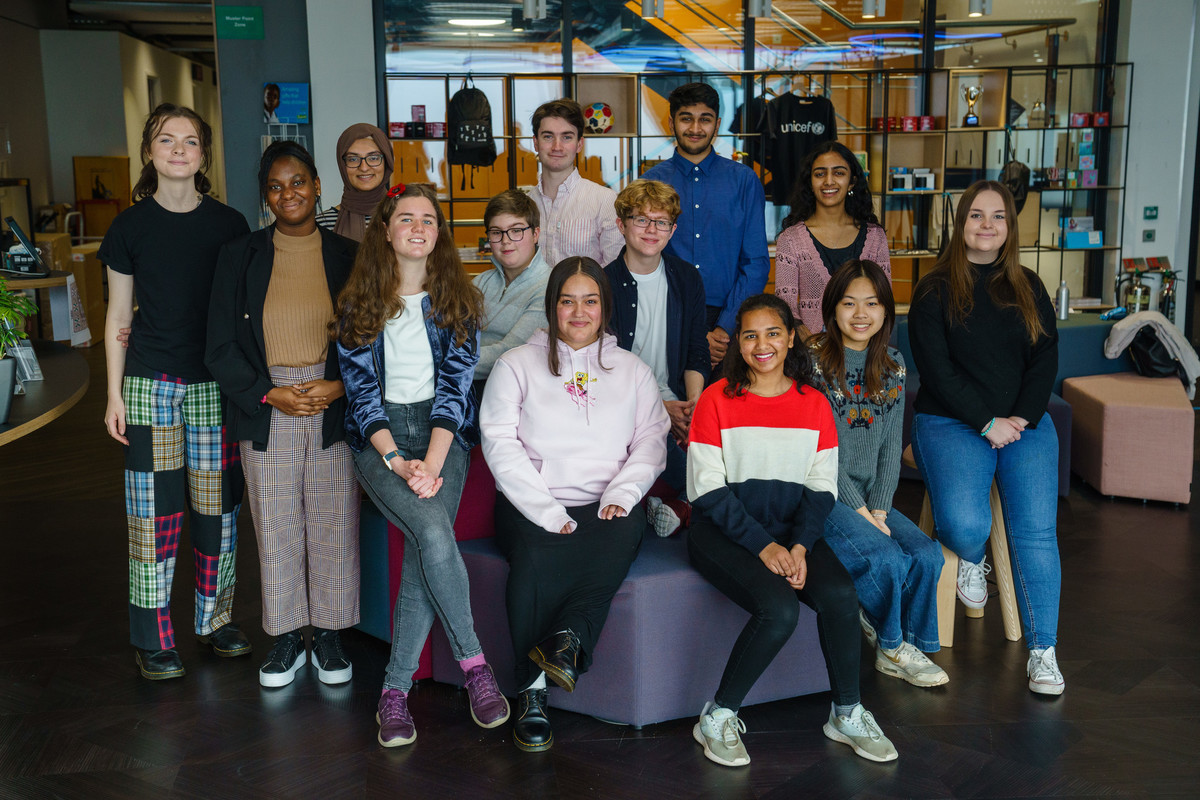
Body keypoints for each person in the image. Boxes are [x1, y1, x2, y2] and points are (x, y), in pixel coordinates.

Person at [686, 293, 898, 767]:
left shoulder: (814, 404)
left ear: (789, 339)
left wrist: (800, 545)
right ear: (738, 344)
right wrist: (766, 548)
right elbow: (706, 490)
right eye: (750, 335)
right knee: (779, 609)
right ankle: (717, 716)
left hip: (789, 532)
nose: (762, 344)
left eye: (773, 333)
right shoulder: (716, 401)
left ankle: (847, 712)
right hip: (721, 533)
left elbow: (821, 489)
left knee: (842, 595)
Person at [335, 183, 509, 746]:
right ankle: (476, 666)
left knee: (424, 546)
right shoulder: (358, 304)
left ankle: (393, 694)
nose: (417, 227)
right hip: (377, 437)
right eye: (405, 218)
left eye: (428, 220)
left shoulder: (460, 303)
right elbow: (361, 397)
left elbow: (456, 395)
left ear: (438, 234)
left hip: (443, 437)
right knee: (433, 531)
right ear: (385, 229)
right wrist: (396, 460)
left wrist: (430, 463)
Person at [480, 257, 669, 753]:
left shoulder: (632, 370)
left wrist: (624, 494)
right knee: (532, 570)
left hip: (609, 501)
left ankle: (563, 643)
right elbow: (499, 442)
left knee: (614, 544)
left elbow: (652, 440)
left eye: (591, 301)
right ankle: (532, 690)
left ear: (605, 308)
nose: (579, 312)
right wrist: (545, 511)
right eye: (568, 300)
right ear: (552, 306)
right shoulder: (515, 364)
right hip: (531, 502)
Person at [100, 103, 251, 681]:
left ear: (203, 155)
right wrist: (113, 395)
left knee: (218, 512)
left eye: (191, 141)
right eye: (168, 140)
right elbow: (118, 315)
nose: (179, 149)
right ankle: (154, 636)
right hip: (148, 385)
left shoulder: (230, 225)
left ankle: (214, 621)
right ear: (150, 151)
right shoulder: (129, 227)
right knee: (153, 517)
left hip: (213, 385)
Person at [205, 141, 361, 688]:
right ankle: (289, 637)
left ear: (318, 187)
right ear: (265, 197)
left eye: (298, 182)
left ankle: (333, 634)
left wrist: (339, 385)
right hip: (266, 404)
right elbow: (219, 347)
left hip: (331, 402)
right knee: (275, 523)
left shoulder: (350, 255)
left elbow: (374, 341)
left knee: (333, 520)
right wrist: (271, 393)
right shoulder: (239, 255)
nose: (288, 193)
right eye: (275, 186)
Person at [908, 180, 1063, 696]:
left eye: (998, 217)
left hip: (1024, 424)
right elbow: (937, 370)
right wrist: (986, 422)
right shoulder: (933, 288)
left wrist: (1020, 417)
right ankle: (972, 560)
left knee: (1037, 532)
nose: (987, 226)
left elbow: (1044, 358)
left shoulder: (1028, 285)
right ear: (960, 222)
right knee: (965, 523)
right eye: (976, 215)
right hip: (952, 421)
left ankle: (1043, 651)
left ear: (1009, 227)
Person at [810, 260, 947, 688]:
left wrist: (882, 511)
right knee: (885, 557)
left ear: (886, 311)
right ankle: (890, 646)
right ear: (832, 310)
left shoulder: (892, 362)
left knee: (928, 555)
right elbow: (822, 451)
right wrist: (864, 514)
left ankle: (911, 642)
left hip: (873, 497)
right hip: (825, 494)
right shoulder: (815, 362)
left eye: (871, 303)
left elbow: (891, 445)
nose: (860, 313)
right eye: (849, 303)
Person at [603, 178, 708, 532]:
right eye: (641, 219)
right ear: (621, 225)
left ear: (673, 229)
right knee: (667, 440)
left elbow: (697, 351)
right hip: (628, 407)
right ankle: (684, 505)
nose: (652, 229)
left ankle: (680, 506)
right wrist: (662, 409)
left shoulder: (687, 279)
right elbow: (605, 371)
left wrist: (693, 408)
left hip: (680, 399)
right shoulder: (602, 285)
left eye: (661, 222)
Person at [641, 82, 770, 370]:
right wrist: (691, 331)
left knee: (727, 410)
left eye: (705, 119)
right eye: (686, 118)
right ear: (671, 122)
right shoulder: (650, 184)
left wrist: (724, 330)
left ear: (718, 124)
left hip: (731, 321)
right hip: (665, 316)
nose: (696, 128)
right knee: (670, 409)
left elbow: (756, 263)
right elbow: (642, 260)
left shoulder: (744, 181)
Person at [774, 141, 891, 338]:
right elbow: (786, 307)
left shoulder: (875, 237)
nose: (829, 181)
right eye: (820, 174)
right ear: (810, 183)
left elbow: (884, 300)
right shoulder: (791, 240)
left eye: (838, 173)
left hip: (865, 345)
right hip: (812, 348)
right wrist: (809, 343)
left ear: (852, 181)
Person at [525, 99, 624, 267]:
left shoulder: (605, 201)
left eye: (566, 137)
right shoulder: (526, 204)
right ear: (535, 142)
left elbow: (614, 272)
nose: (557, 146)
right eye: (548, 136)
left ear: (579, 144)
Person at [473, 189, 551, 387]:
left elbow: (510, 353)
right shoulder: (480, 283)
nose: (506, 240)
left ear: (535, 234)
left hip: (517, 392)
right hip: (468, 387)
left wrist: (445, 364)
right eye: (497, 232)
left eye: (516, 230)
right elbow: (453, 336)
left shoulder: (550, 287)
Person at [315, 123, 394, 241]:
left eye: (373, 158)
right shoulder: (322, 224)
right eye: (353, 159)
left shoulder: (407, 217)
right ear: (342, 165)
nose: (364, 168)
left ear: (387, 162)